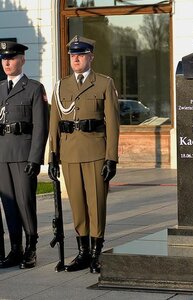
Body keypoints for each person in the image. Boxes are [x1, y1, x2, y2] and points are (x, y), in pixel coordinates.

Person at [48, 35, 120, 274]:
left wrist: (111, 157)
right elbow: (54, 124)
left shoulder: (104, 83)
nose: (76, 59)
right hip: (69, 154)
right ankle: (83, 253)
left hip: (96, 152)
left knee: (96, 204)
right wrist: (52, 157)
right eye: (72, 55)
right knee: (77, 205)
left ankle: (97, 253)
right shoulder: (61, 86)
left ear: (91, 57)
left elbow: (112, 124)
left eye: (80, 54)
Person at [0, 41, 49, 269]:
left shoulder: (34, 88)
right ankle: (16, 249)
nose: (7, 62)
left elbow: (41, 126)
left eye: (11, 58)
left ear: (22, 59)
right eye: (3, 58)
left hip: (23, 154)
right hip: (2, 156)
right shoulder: (0, 88)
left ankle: (31, 248)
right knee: (9, 205)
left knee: (25, 203)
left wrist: (35, 158)